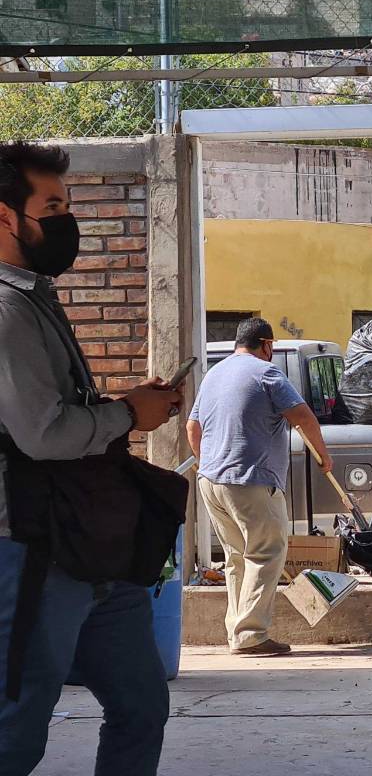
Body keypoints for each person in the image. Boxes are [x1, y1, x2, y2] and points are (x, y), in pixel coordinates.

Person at [0, 141, 182, 776]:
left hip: (91, 543)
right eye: (51, 206)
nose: (65, 221)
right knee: (16, 728)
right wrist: (130, 414)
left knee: (140, 706)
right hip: (32, 549)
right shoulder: (4, 311)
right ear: (5, 217)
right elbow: (43, 434)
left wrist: (128, 406)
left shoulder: (33, 297)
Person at [187, 318, 333, 657]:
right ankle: (251, 634)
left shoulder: (214, 375)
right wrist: (324, 458)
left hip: (212, 482)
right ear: (266, 345)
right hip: (251, 481)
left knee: (238, 558)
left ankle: (236, 633)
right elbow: (304, 417)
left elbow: (193, 427)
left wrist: (207, 463)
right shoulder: (267, 374)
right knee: (266, 553)